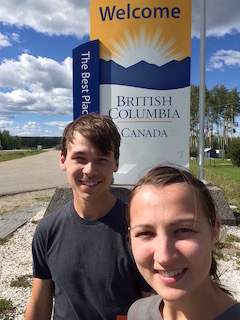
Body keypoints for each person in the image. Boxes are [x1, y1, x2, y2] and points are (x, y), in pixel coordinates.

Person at [25, 113, 151, 320]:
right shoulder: (47, 230)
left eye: (101, 159)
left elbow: (151, 306)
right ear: (63, 160)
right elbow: (39, 304)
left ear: (116, 164)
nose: (90, 170)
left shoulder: (137, 230)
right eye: (80, 158)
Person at [126, 165, 240, 320]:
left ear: (214, 231)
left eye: (183, 230)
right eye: (146, 233)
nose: (164, 257)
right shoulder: (138, 313)